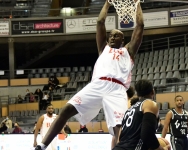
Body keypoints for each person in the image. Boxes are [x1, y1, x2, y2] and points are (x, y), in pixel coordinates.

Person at [34, 0, 143, 149]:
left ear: (123, 40)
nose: (111, 37)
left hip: (117, 89)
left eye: (116, 36)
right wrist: (107, 3)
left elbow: (140, 26)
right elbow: (100, 22)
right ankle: (42, 146)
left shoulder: (128, 52)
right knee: (66, 109)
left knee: (119, 127)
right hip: (97, 85)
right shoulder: (103, 48)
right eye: (110, 35)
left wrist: (137, 4)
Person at [113, 79, 170, 150]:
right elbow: (147, 134)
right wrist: (161, 148)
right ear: (153, 91)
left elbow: (120, 137)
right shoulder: (149, 104)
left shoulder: (129, 110)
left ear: (137, 94)